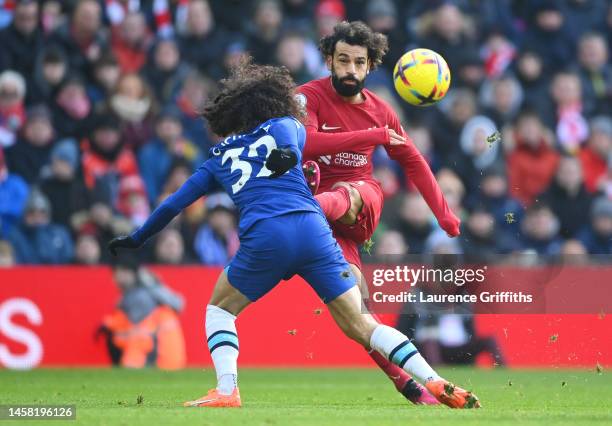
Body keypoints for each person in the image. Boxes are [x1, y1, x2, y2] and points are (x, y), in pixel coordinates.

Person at [108, 59, 479, 409]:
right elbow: (303, 142)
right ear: (274, 101)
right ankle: (432, 379)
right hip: (314, 229)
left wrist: (138, 237)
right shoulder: (284, 125)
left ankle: (226, 389)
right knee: (363, 323)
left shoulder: (218, 158)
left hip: (266, 235)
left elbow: (174, 204)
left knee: (219, 309)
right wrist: (363, 138)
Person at [296, 21, 460, 405]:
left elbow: (414, 161)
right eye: (342, 61)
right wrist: (371, 137)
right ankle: (410, 386)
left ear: (369, 66)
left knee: (344, 191)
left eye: (358, 63)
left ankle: (307, 207)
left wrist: (444, 214)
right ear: (328, 61)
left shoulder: (382, 111)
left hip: (360, 201)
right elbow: (307, 141)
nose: (350, 70)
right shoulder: (307, 97)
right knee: (357, 311)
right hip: (327, 229)